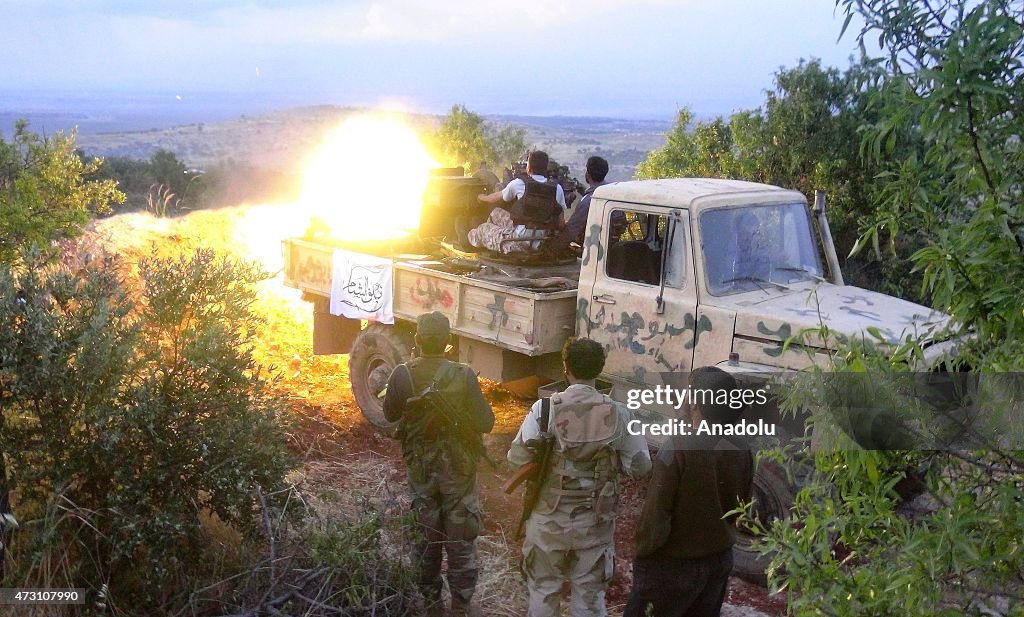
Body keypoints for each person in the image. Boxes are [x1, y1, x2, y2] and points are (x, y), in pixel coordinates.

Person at [508, 338, 652, 617]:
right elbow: (641, 467)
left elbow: (516, 458)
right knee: (589, 599)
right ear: (599, 369)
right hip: (595, 524)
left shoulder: (545, 410)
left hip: (547, 522)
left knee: (543, 592)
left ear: (565, 368)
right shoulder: (620, 414)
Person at [383, 311, 495, 617]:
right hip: (458, 472)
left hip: (421, 471)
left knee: (425, 540)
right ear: (448, 342)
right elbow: (486, 422)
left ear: (417, 340)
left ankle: (431, 605)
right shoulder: (463, 375)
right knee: (460, 542)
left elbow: (389, 415)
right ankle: (461, 606)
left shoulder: (402, 374)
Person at [624, 367, 754, 617]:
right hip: (718, 562)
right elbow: (743, 507)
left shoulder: (679, 447)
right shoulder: (741, 446)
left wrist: (644, 556)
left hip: (674, 566)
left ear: (695, 403)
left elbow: (655, 517)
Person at [469, 150, 567, 253]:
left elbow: (493, 198)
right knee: (495, 213)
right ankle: (491, 240)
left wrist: (480, 197)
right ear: (545, 168)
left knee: (481, 230)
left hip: (520, 240)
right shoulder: (557, 188)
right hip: (542, 239)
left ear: (529, 167)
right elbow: (561, 224)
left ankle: (471, 239)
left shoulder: (519, 183)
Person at [564, 155, 610, 246]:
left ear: (588, 174)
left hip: (592, 249)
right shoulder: (611, 193)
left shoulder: (588, 201)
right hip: (607, 245)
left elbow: (571, 231)